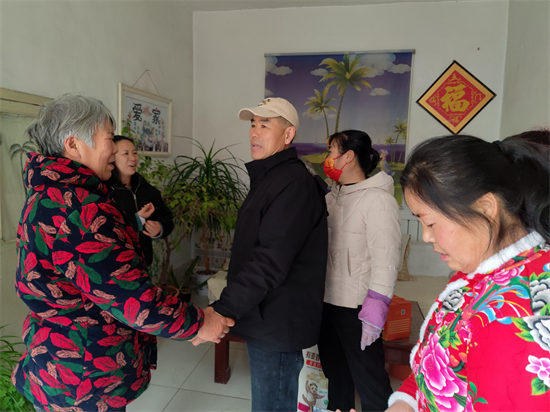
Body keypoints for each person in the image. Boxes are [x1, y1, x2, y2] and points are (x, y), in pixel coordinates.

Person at [11, 93, 234, 412]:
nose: (115, 149)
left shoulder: (47, 195)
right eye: (108, 138)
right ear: (74, 144)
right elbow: (132, 299)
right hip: (83, 378)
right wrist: (200, 322)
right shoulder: (80, 210)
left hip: (58, 362)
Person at [384, 130, 550, 411]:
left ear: (485, 208)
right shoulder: (478, 271)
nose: (426, 236)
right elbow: (433, 368)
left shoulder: (518, 315)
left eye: (430, 223)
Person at [209, 97, 328, 411]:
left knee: (271, 406)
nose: (254, 132)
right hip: (263, 315)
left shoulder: (294, 183)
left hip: (277, 320)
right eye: (252, 124)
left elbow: (270, 259)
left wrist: (223, 310)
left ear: (288, 135)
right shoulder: (270, 178)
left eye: (265, 125)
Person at [318, 130, 401, 412]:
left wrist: (377, 305)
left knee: (370, 381)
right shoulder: (332, 199)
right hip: (327, 302)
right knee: (336, 375)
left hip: (357, 309)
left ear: (349, 156)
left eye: (331, 151)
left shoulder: (378, 201)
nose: (327, 158)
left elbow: (386, 258)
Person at [107, 135, 174, 267]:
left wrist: (159, 228)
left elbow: (167, 218)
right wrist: (137, 220)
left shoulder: (147, 189)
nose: (133, 158)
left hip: (144, 263)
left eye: (135, 153)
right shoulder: (105, 191)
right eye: (126, 153)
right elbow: (108, 230)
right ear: (112, 157)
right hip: (117, 266)